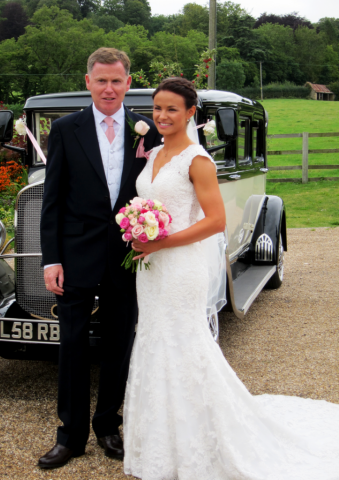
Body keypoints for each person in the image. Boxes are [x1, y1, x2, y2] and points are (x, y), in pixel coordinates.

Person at [123, 77, 339, 479]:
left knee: (182, 343)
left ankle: (202, 443)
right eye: (157, 108)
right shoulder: (151, 156)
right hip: (151, 269)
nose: (162, 116)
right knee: (153, 339)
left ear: (190, 113)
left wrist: (160, 242)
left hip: (179, 266)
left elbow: (216, 221)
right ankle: (160, 443)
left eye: (172, 109)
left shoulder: (197, 159)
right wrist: (139, 230)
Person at [38, 47, 162, 469]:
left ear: (128, 83)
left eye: (117, 80)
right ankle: (69, 436)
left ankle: (108, 425)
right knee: (71, 346)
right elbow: (51, 201)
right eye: (101, 80)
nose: (109, 88)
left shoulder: (148, 131)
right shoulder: (66, 130)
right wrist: (51, 259)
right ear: (88, 82)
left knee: (118, 345)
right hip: (74, 256)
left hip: (127, 257)